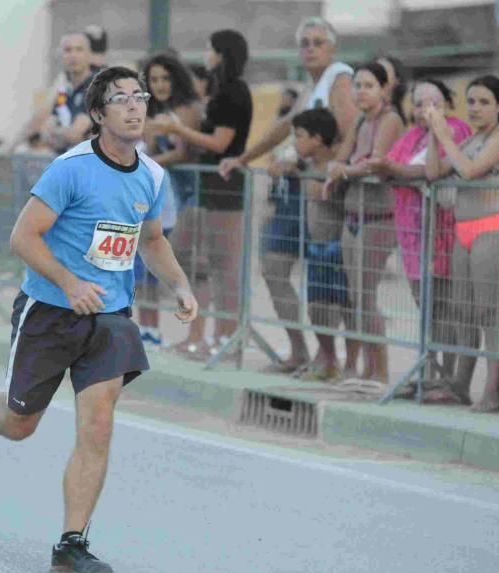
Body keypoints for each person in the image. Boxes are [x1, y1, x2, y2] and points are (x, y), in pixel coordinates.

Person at [0, 66, 198, 573]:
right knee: (20, 425)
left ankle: (72, 544)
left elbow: (150, 240)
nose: (133, 106)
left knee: (98, 424)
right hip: (50, 311)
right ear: (99, 114)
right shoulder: (70, 168)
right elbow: (23, 237)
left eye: (139, 97)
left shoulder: (151, 175)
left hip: (109, 317)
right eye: (120, 99)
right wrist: (68, 283)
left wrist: (180, 285)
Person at [219, 17, 357, 373]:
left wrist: (301, 159)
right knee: (274, 268)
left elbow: (348, 129)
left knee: (329, 281)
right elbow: (285, 128)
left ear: (333, 48)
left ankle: (339, 360)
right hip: (295, 194)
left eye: (317, 42)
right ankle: (299, 349)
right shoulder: (311, 89)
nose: (310, 49)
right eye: (305, 43)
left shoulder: (340, 77)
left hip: (323, 194)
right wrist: (243, 158)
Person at [152, 29, 252, 361]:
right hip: (209, 190)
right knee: (200, 264)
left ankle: (225, 338)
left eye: (210, 49)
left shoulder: (233, 92)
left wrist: (178, 130)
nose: (206, 55)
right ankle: (203, 337)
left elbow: (221, 144)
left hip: (225, 188)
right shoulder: (222, 92)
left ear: (222, 54)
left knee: (221, 268)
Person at [424, 75, 499, 411]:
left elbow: (470, 171)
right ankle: (461, 386)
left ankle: (491, 392)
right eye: (472, 102)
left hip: (492, 229)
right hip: (463, 232)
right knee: (462, 312)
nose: (476, 109)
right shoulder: (472, 139)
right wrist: (435, 136)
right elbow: (434, 173)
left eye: (484, 102)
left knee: (487, 312)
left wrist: (447, 136)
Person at [368, 79, 472, 385]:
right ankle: (430, 368)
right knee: (423, 301)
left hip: (443, 230)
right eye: (419, 103)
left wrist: (393, 169)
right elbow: (390, 167)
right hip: (412, 230)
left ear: (447, 104)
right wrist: (389, 169)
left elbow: (428, 171)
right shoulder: (411, 136)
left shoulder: (456, 130)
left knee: (445, 303)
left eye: (433, 101)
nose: (425, 108)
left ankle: (446, 374)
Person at [324, 62, 404, 384]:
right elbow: (342, 159)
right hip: (353, 218)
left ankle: (380, 372)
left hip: (378, 218)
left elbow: (375, 163)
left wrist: (342, 171)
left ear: (384, 89)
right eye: (357, 85)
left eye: (368, 85)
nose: (361, 91)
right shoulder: (360, 120)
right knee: (357, 297)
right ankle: (367, 370)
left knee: (367, 297)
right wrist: (342, 168)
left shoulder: (391, 119)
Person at [137, 52, 203, 346]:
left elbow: (182, 152)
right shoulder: (151, 110)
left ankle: (197, 335)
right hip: (160, 197)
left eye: (165, 78)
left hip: (189, 195)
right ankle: (147, 328)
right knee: (143, 262)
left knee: (187, 267)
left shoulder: (187, 110)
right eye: (154, 79)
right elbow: (148, 144)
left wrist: (150, 161)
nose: (161, 84)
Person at [287, 109, 353, 380]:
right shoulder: (308, 168)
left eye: (299, 136)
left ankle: (351, 364)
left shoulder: (336, 168)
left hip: (337, 246)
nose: (295, 142)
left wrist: (329, 195)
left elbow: (349, 204)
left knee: (346, 306)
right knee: (316, 306)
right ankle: (329, 360)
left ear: (317, 139)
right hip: (316, 246)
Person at [10, 33, 96, 154]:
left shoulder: (96, 87)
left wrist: (51, 133)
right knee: (22, 151)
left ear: (89, 55)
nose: (73, 55)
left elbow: (75, 135)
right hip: (64, 159)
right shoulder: (65, 91)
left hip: (89, 162)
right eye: (68, 50)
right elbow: (35, 129)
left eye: (79, 49)